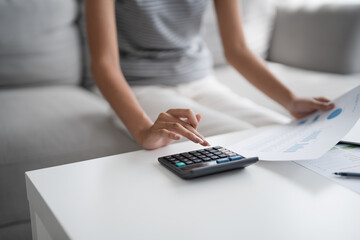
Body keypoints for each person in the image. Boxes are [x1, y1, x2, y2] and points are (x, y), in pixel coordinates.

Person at [85, 0, 334, 150]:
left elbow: (237, 49)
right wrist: (142, 132)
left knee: (288, 133)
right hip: (140, 87)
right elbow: (104, 64)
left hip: (201, 81)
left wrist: (289, 100)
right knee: (242, 140)